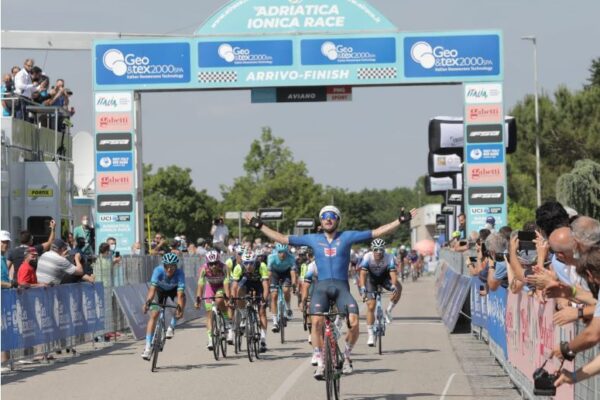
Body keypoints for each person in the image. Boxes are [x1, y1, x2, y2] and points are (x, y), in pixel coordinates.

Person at [246, 205, 415, 378]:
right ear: (321, 221)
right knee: (316, 322)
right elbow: (282, 238)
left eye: (332, 216)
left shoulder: (347, 236)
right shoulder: (313, 238)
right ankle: (320, 361)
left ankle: (347, 357)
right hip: (322, 288)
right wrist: (260, 226)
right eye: (325, 216)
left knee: (354, 322)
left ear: (338, 220)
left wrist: (399, 221)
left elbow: (377, 232)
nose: (328, 219)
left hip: (342, 288)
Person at [141, 253, 185, 360]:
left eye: (172, 267)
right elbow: (152, 290)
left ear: (176, 266)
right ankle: (147, 347)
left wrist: (180, 308)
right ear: (163, 265)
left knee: (182, 299)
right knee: (154, 314)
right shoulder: (158, 271)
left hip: (174, 291)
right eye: (166, 266)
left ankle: (172, 326)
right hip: (160, 291)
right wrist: (147, 302)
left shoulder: (180, 273)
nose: (169, 269)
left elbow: (180, 294)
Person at [359, 239, 401, 346]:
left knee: (398, 287)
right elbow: (363, 273)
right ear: (372, 250)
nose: (378, 252)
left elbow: (393, 274)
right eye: (376, 250)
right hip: (371, 280)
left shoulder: (389, 257)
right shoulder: (368, 256)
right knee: (371, 306)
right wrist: (363, 287)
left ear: (384, 250)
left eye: (381, 250)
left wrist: (393, 285)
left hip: (384, 279)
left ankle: (389, 310)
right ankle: (370, 335)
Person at [230, 250, 270, 352]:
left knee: (262, 311)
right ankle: (244, 315)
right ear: (243, 262)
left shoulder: (262, 266)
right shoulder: (238, 267)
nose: (248, 266)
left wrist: (264, 299)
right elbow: (234, 286)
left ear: (255, 262)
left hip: (258, 284)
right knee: (239, 291)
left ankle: (263, 339)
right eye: (246, 263)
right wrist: (233, 299)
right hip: (245, 283)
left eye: (251, 263)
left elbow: (265, 285)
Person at [195, 250, 231, 350]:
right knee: (209, 312)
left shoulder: (224, 268)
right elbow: (200, 285)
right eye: (211, 264)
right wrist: (198, 299)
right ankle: (210, 339)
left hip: (221, 286)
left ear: (219, 261)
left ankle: (227, 322)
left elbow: (227, 284)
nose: (213, 266)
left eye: (215, 263)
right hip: (210, 287)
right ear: (207, 263)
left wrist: (227, 298)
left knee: (219, 300)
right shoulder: (203, 269)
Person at [267, 243, 297, 332]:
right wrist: (268, 286)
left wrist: (294, 284)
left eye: (284, 252)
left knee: (286, 289)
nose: (282, 254)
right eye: (280, 252)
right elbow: (269, 274)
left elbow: (293, 273)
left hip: (286, 274)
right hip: (275, 274)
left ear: (287, 251)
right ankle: (274, 321)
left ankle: (288, 308)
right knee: (274, 295)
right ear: (277, 251)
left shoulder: (291, 258)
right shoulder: (271, 257)